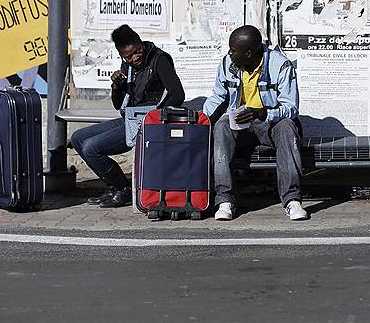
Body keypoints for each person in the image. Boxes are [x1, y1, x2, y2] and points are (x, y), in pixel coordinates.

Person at [70, 24, 185, 208]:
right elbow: (119, 105)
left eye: (137, 51)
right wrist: (117, 86)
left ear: (140, 42)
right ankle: (112, 186)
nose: (135, 58)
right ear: (121, 54)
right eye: (128, 56)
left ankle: (122, 189)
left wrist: (155, 117)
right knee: (78, 138)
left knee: (92, 147)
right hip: (131, 118)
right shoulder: (128, 66)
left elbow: (178, 95)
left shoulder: (159, 59)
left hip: (149, 123)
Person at [204, 25, 308, 221]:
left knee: (287, 126)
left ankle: (292, 200)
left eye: (234, 50)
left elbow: (291, 107)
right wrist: (202, 119)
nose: (230, 53)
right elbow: (218, 96)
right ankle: (225, 200)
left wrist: (264, 113)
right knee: (221, 127)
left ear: (249, 53)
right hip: (240, 124)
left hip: (270, 122)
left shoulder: (281, 65)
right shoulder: (228, 63)